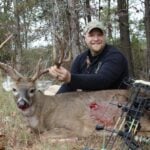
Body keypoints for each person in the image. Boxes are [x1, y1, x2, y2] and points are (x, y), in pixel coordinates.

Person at [49, 20, 129, 94]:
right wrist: (55, 100)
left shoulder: (115, 56)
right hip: (90, 102)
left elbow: (103, 80)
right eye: (91, 35)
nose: (96, 39)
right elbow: (69, 85)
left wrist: (70, 78)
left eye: (100, 35)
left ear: (105, 37)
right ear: (85, 38)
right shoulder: (80, 59)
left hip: (116, 102)